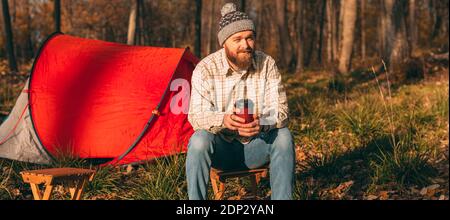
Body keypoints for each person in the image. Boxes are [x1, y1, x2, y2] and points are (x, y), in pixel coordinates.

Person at [186, 2, 295, 200]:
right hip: (222, 151)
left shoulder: (267, 64)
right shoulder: (205, 68)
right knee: (199, 140)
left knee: (283, 136)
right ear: (224, 43)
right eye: (237, 39)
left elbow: (281, 110)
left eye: (250, 38)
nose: (245, 45)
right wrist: (223, 120)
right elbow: (196, 115)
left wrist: (262, 122)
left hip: (257, 146)